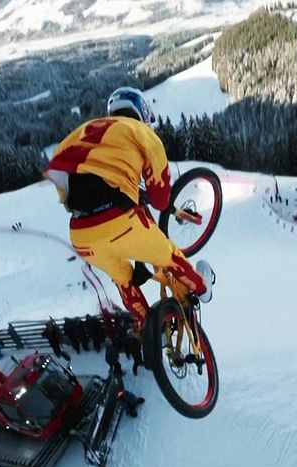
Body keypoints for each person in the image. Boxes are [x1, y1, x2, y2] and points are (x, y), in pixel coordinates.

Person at [46, 86, 213, 330]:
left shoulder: (78, 135)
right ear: (142, 112)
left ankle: (151, 332)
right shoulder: (141, 133)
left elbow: (64, 193)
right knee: (169, 256)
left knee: (123, 280)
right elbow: (160, 199)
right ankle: (203, 288)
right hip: (122, 223)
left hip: (82, 237)